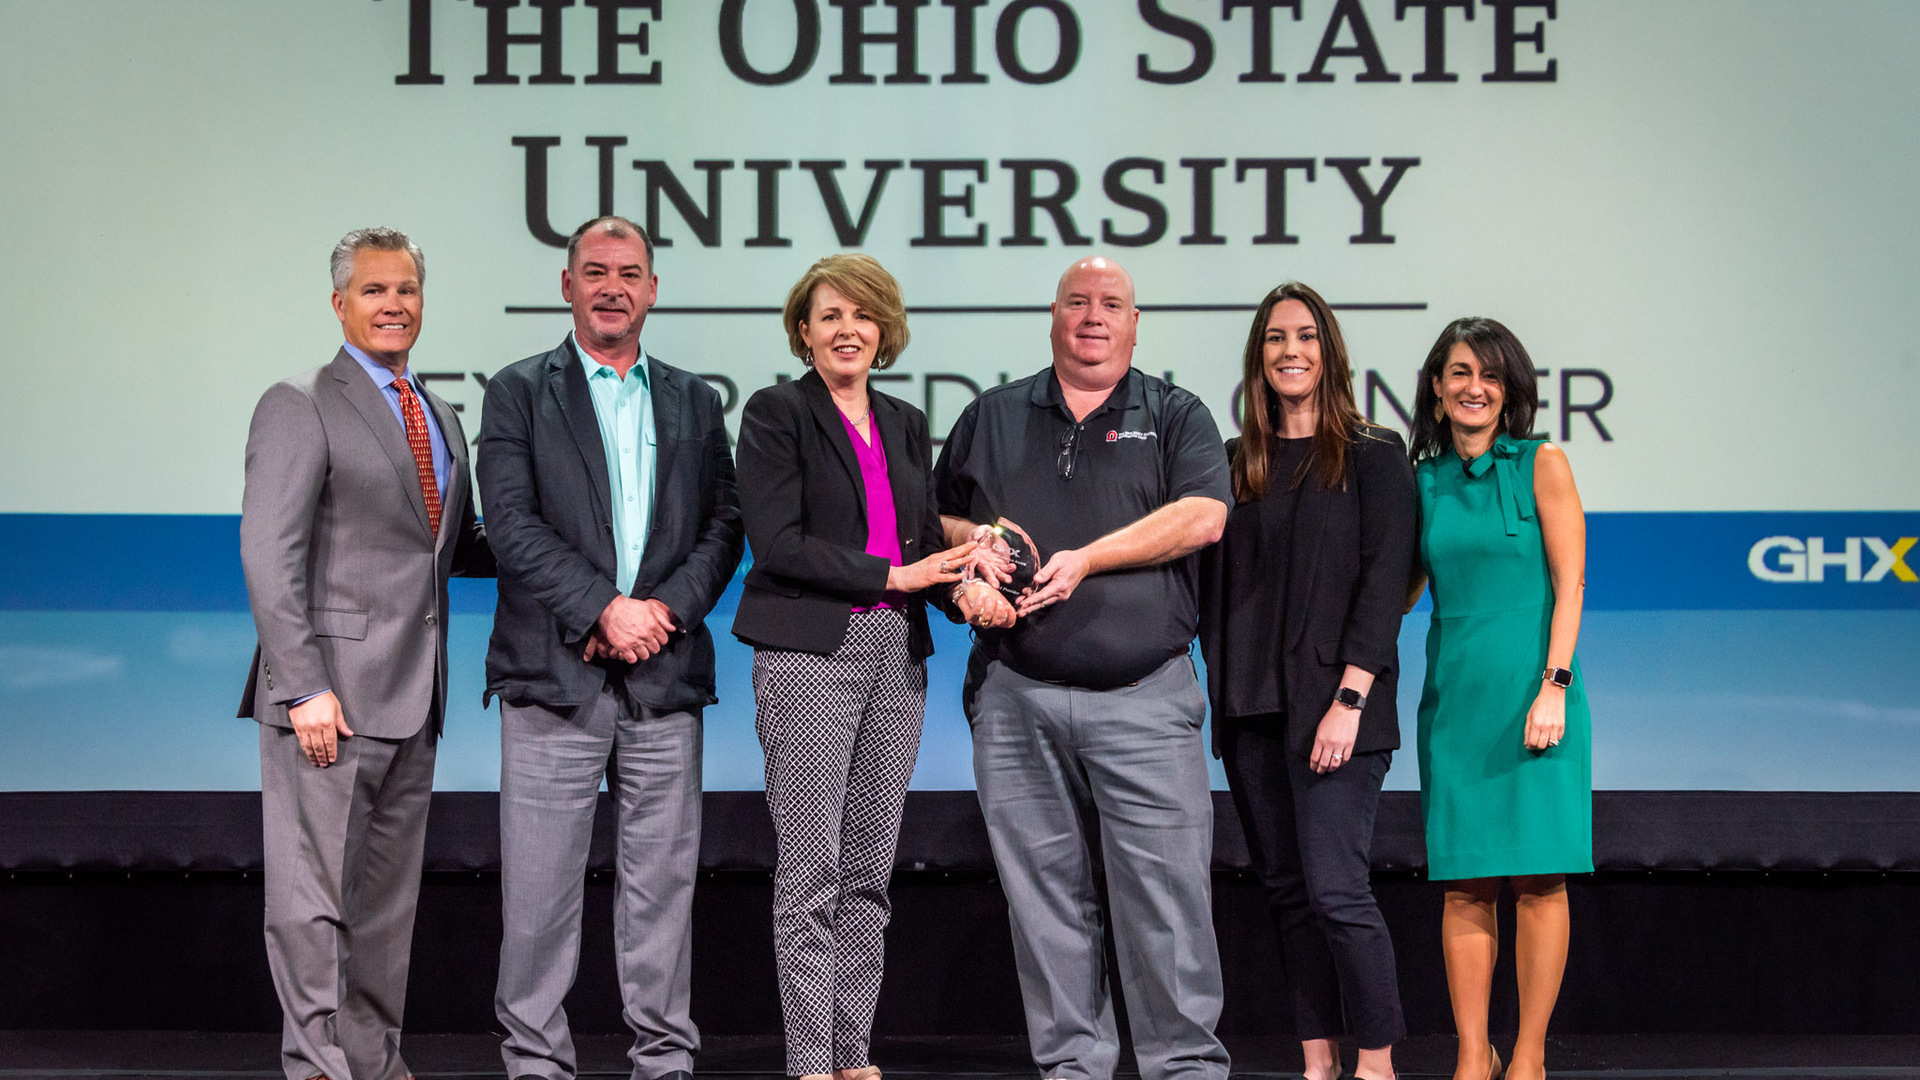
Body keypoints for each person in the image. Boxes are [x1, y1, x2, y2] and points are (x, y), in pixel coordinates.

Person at [933, 256, 1233, 1080]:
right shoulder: (991, 415)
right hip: (1014, 699)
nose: (1093, 316)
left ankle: (1184, 1069)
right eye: (1077, 302)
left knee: (1167, 905)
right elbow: (941, 520)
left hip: (1146, 699)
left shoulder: (1176, 414)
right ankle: (1072, 1067)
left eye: (1111, 304)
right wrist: (971, 558)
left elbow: (1204, 517)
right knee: (1044, 904)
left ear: (1135, 324)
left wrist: (1089, 559)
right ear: (1053, 317)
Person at [477, 215, 745, 1080]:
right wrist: (603, 609)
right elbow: (509, 524)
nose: (612, 287)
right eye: (595, 271)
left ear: (652, 289)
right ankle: (535, 1065)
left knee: (662, 893)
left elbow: (725, 524)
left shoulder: (697, 400)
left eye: (629, 273)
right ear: (567, 285)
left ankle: (664, 1062)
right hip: (553, 677)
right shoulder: (518, 391)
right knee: (539, 897)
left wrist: (662, 611)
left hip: (664, 678)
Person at [239, 226, 493, 1080]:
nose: (393, 304)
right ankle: (317, 1067)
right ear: (339, 302)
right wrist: (302, 685)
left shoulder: (441, 415)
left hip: (415, 699)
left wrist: (566, 545)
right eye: (375, 290)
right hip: (330, 700)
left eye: (406, 290)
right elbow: (268, 553)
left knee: (385, 908)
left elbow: (447, 548)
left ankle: (374, 1064)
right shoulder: (299, 401)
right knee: (312, 899)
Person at [732, 254, 983, 1080]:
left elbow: (921, 545)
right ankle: (811, 1062)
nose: (848, 330)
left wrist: (966, 587)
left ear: (886, 330)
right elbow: (779, 543)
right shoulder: (777, 413)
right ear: (803, 331)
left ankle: (851, 1056)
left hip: (895, 656)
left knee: (870, 874)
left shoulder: (905, 422)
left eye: (863, 315)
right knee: (812, 871)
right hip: (810, 654)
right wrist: (894, 577)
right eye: (830, 315)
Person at [1197, 282, 1417, 1080]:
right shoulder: (1232, 465)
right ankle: (1318, 1063)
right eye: (1275, 338)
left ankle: (1377, 1065)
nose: (1290, 351)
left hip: (1338, 713)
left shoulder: (1374, 455)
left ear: (1330, 351)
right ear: (1258, 355)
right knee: (1289, 896)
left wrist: (1350, 699)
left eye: (1305, 336)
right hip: (1251, 711)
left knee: (1336, 893)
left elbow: (1384, 584)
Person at [1405, 317, 1593, 1080]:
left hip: (1535, 697)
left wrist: (1554, 686)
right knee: (1466, 885)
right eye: (1459, 372)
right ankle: (1471, 1056)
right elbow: (1398, 590)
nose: (1474, 387)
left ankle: (1528, 1057)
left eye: (1489, 375)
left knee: (1541, 880)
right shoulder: (1420, 480)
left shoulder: (1542, 462)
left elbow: (1571, 584)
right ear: (1437, 387)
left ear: (1510, 390)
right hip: (1456, 704)